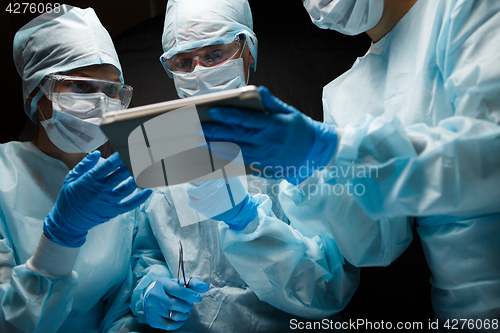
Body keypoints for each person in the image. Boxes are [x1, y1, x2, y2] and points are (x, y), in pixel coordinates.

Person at [199, 0, 500, 326]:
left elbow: (489, 157)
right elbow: (377, 243)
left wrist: (331, 149)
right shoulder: (348, 93)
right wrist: (306, 171)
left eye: (213, 55)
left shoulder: (467, 9)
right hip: (460, 309)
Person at [130, 0, 412, 331]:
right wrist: (149, 287)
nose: (198, 71)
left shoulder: (291, 145)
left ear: (248, 51)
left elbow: (328, 288)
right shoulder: (158, 149)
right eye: (183, 61)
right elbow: (144, 251)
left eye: (213, 55)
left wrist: (248, 222)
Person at [1, 6, 209, 332]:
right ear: (37, 93)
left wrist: (148, 291)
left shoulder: (115, 178)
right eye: (82, 87)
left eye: (112, 90)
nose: (101, 103)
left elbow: (129, 274)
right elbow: (10, 321)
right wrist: (61, 235)